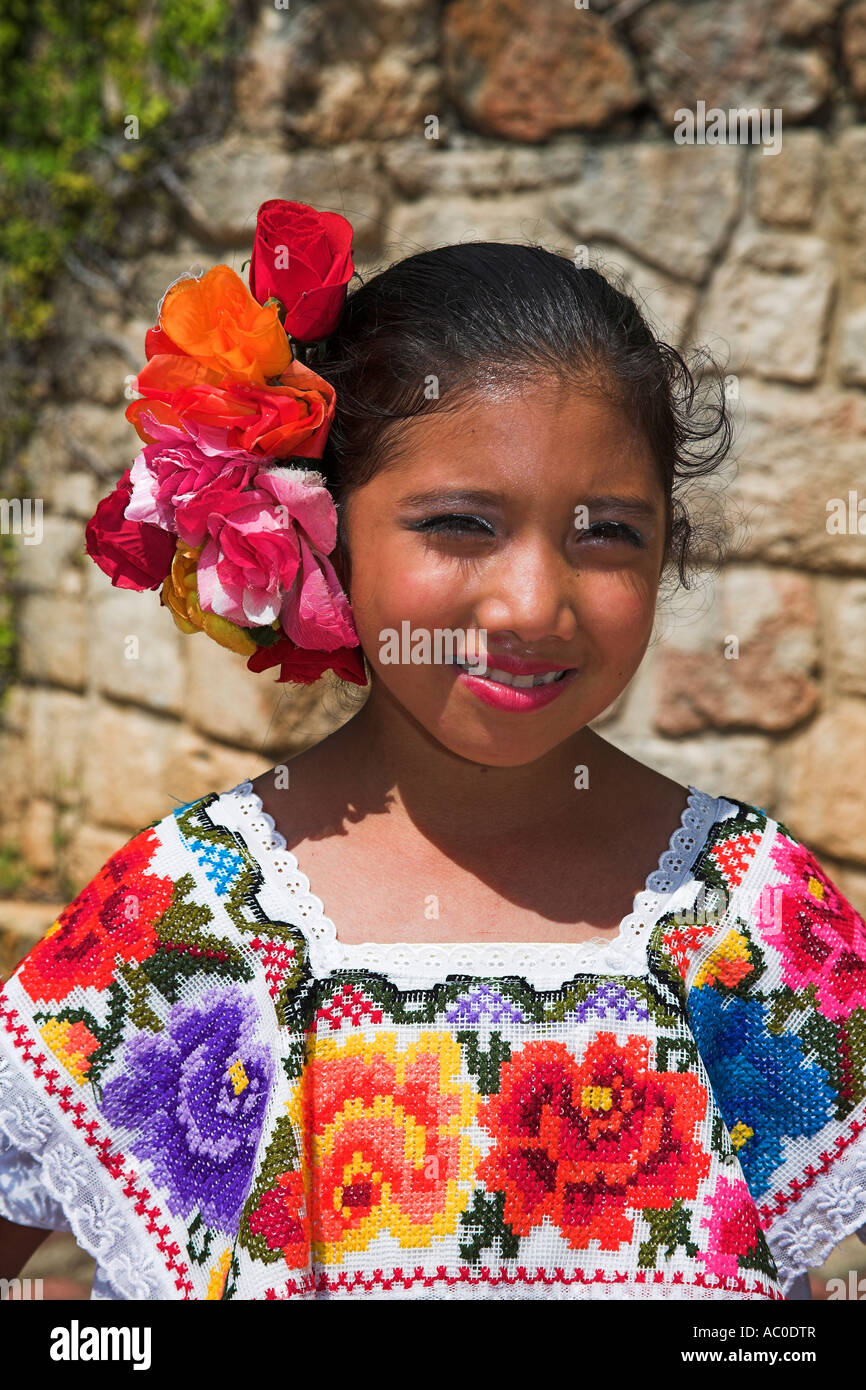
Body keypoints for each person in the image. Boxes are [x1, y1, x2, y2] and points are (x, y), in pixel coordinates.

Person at [1, 212, 864, 1301]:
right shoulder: (188, 919)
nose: (531, 602)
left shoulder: (747, 916)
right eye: (459, 523)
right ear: (322, 528)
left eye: (605, 532)